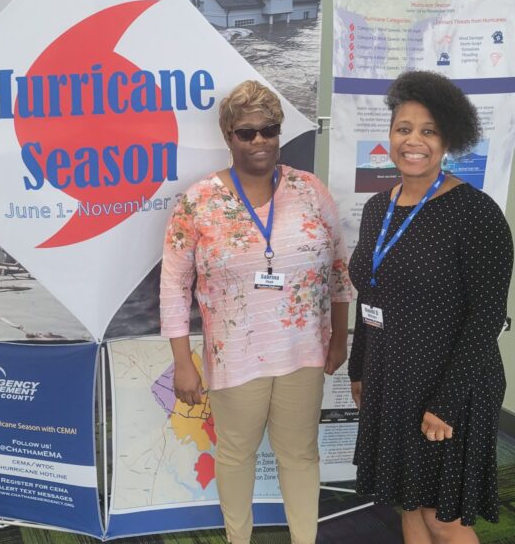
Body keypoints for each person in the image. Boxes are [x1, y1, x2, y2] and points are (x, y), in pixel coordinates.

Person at [160, 80, 351, 544]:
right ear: (229, 135)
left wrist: (340, 338)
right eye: (247, 133)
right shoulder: (198, 201)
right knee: (236, 455)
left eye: (270, 130)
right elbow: (174, 286)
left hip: (304, 352)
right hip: (235, 356)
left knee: (301, 455)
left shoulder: (310, 190)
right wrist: (183, 362)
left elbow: (340, 270)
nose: (260, 141)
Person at [348, 70, 513, 544]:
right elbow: (370, 294)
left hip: (451, 385)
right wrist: (361, 369)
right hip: (392, 377)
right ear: (390, 136)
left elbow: (486, 319)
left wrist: (445, 403)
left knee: (444, 518)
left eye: (428, 130)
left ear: (448, 139)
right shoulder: (380, 207)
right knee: (407, 498)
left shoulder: (475, 213)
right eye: (404, 128)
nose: (413, 140)